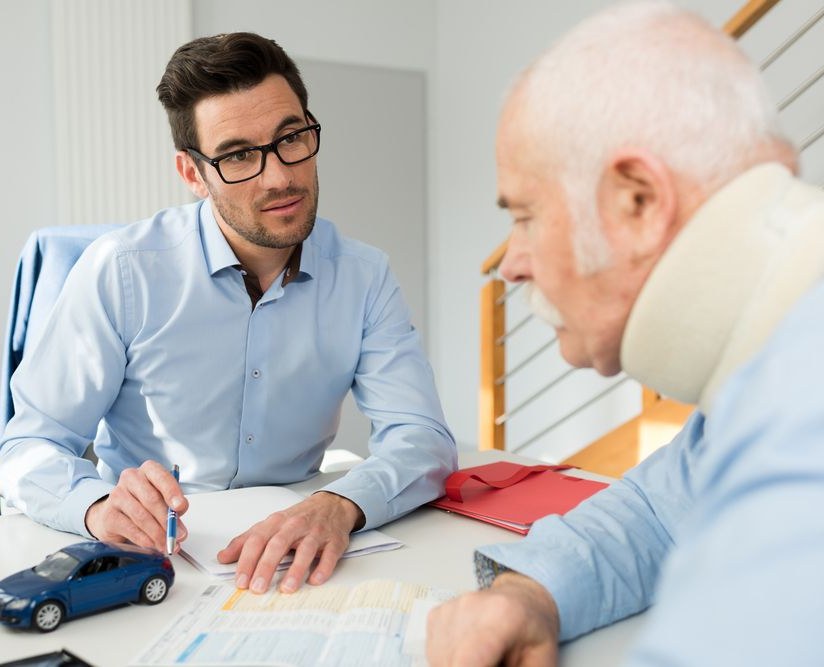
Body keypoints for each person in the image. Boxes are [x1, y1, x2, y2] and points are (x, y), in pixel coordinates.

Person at [427, 2, 824, 666]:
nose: (513, 262)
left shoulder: (803, 417)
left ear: (638, 201)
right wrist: (529, 595)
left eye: (525, 216)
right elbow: (658, 507)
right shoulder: (767, 372)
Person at [0, 32, 456, 596]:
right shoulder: (121, 270)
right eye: (239, 155)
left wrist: (340, 503)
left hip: (302, 558)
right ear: (193, 174)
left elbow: (423, 437)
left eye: (292, 138)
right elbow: (27, 446)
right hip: (154, 558)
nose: (280, 177)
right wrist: (94, 505)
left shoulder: (364, 276)